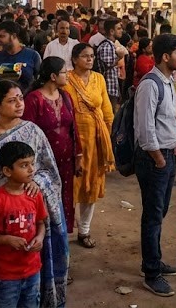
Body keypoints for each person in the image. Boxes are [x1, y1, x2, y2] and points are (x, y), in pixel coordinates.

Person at [0, 80, 68, 307]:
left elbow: (49, 171)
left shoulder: (33, 131)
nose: (19, 104)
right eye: (12, 101)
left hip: (27, 213)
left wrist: (36, 183)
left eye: (21, 98)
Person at [134, 34, 176, 297]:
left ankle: (154, 259)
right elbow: (145, 128)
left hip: (167, 154)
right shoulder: (150, 84)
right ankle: (151, 271)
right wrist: (159, 159)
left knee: (160, 210)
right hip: (155, 157)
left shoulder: (168, 81)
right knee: (153, 214)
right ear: (165, 56)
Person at [0, 141, 48, 308]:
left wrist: (40, 238)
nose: (31, 169)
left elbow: (41, 223)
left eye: (32, 163)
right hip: (5, 275)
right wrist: (5, 240)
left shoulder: (34, 195)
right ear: (7, 171)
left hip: (32, 270)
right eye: (24, 165)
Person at [64, 42, 114, 249]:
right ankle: (64, 230)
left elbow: (107, 109)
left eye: (92, 56)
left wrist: (106, 137)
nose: (90, 59)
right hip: (72, 141)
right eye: (85, 56)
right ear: (75, 59)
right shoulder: (66, 80)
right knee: (70, 185)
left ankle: (84, 230)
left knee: (91, 184)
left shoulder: (99, 79)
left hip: (95, 141)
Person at [25, 57, 82, 234]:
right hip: (43, 164)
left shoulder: (66, 97)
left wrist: (78, 156)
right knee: (44, 199)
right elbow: (27, 134)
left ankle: (61, 238)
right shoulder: (34, 99)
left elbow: (74, 128)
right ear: (53, 76)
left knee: (64, 198)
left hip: (66, 161)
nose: (68, 75)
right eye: (64, 72)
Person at [0, 20, 43, 116]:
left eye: (2, 36)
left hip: (27, 110)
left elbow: (40, 83)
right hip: (2, 112)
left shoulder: (32, 56)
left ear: (13, 36)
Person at [94, 18, 125, 111]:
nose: (121, 31)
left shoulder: (111, 45)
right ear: (111, 31)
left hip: (111, 88)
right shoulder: (107, 46)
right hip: (108, 88)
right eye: (118, 28)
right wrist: (119, 57)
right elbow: (108, 65)